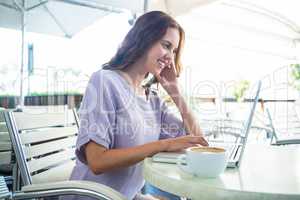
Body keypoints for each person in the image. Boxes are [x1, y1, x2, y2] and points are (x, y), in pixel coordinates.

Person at [66, 11, 208, 200]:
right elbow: (97, 161)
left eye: (174, 51)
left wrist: (175, 91)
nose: (170, 58)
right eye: (166, 45)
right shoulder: (104, 82)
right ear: (145, 38)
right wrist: (164, 144)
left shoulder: (153, 99)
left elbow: (197, 139)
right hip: (94, 196)